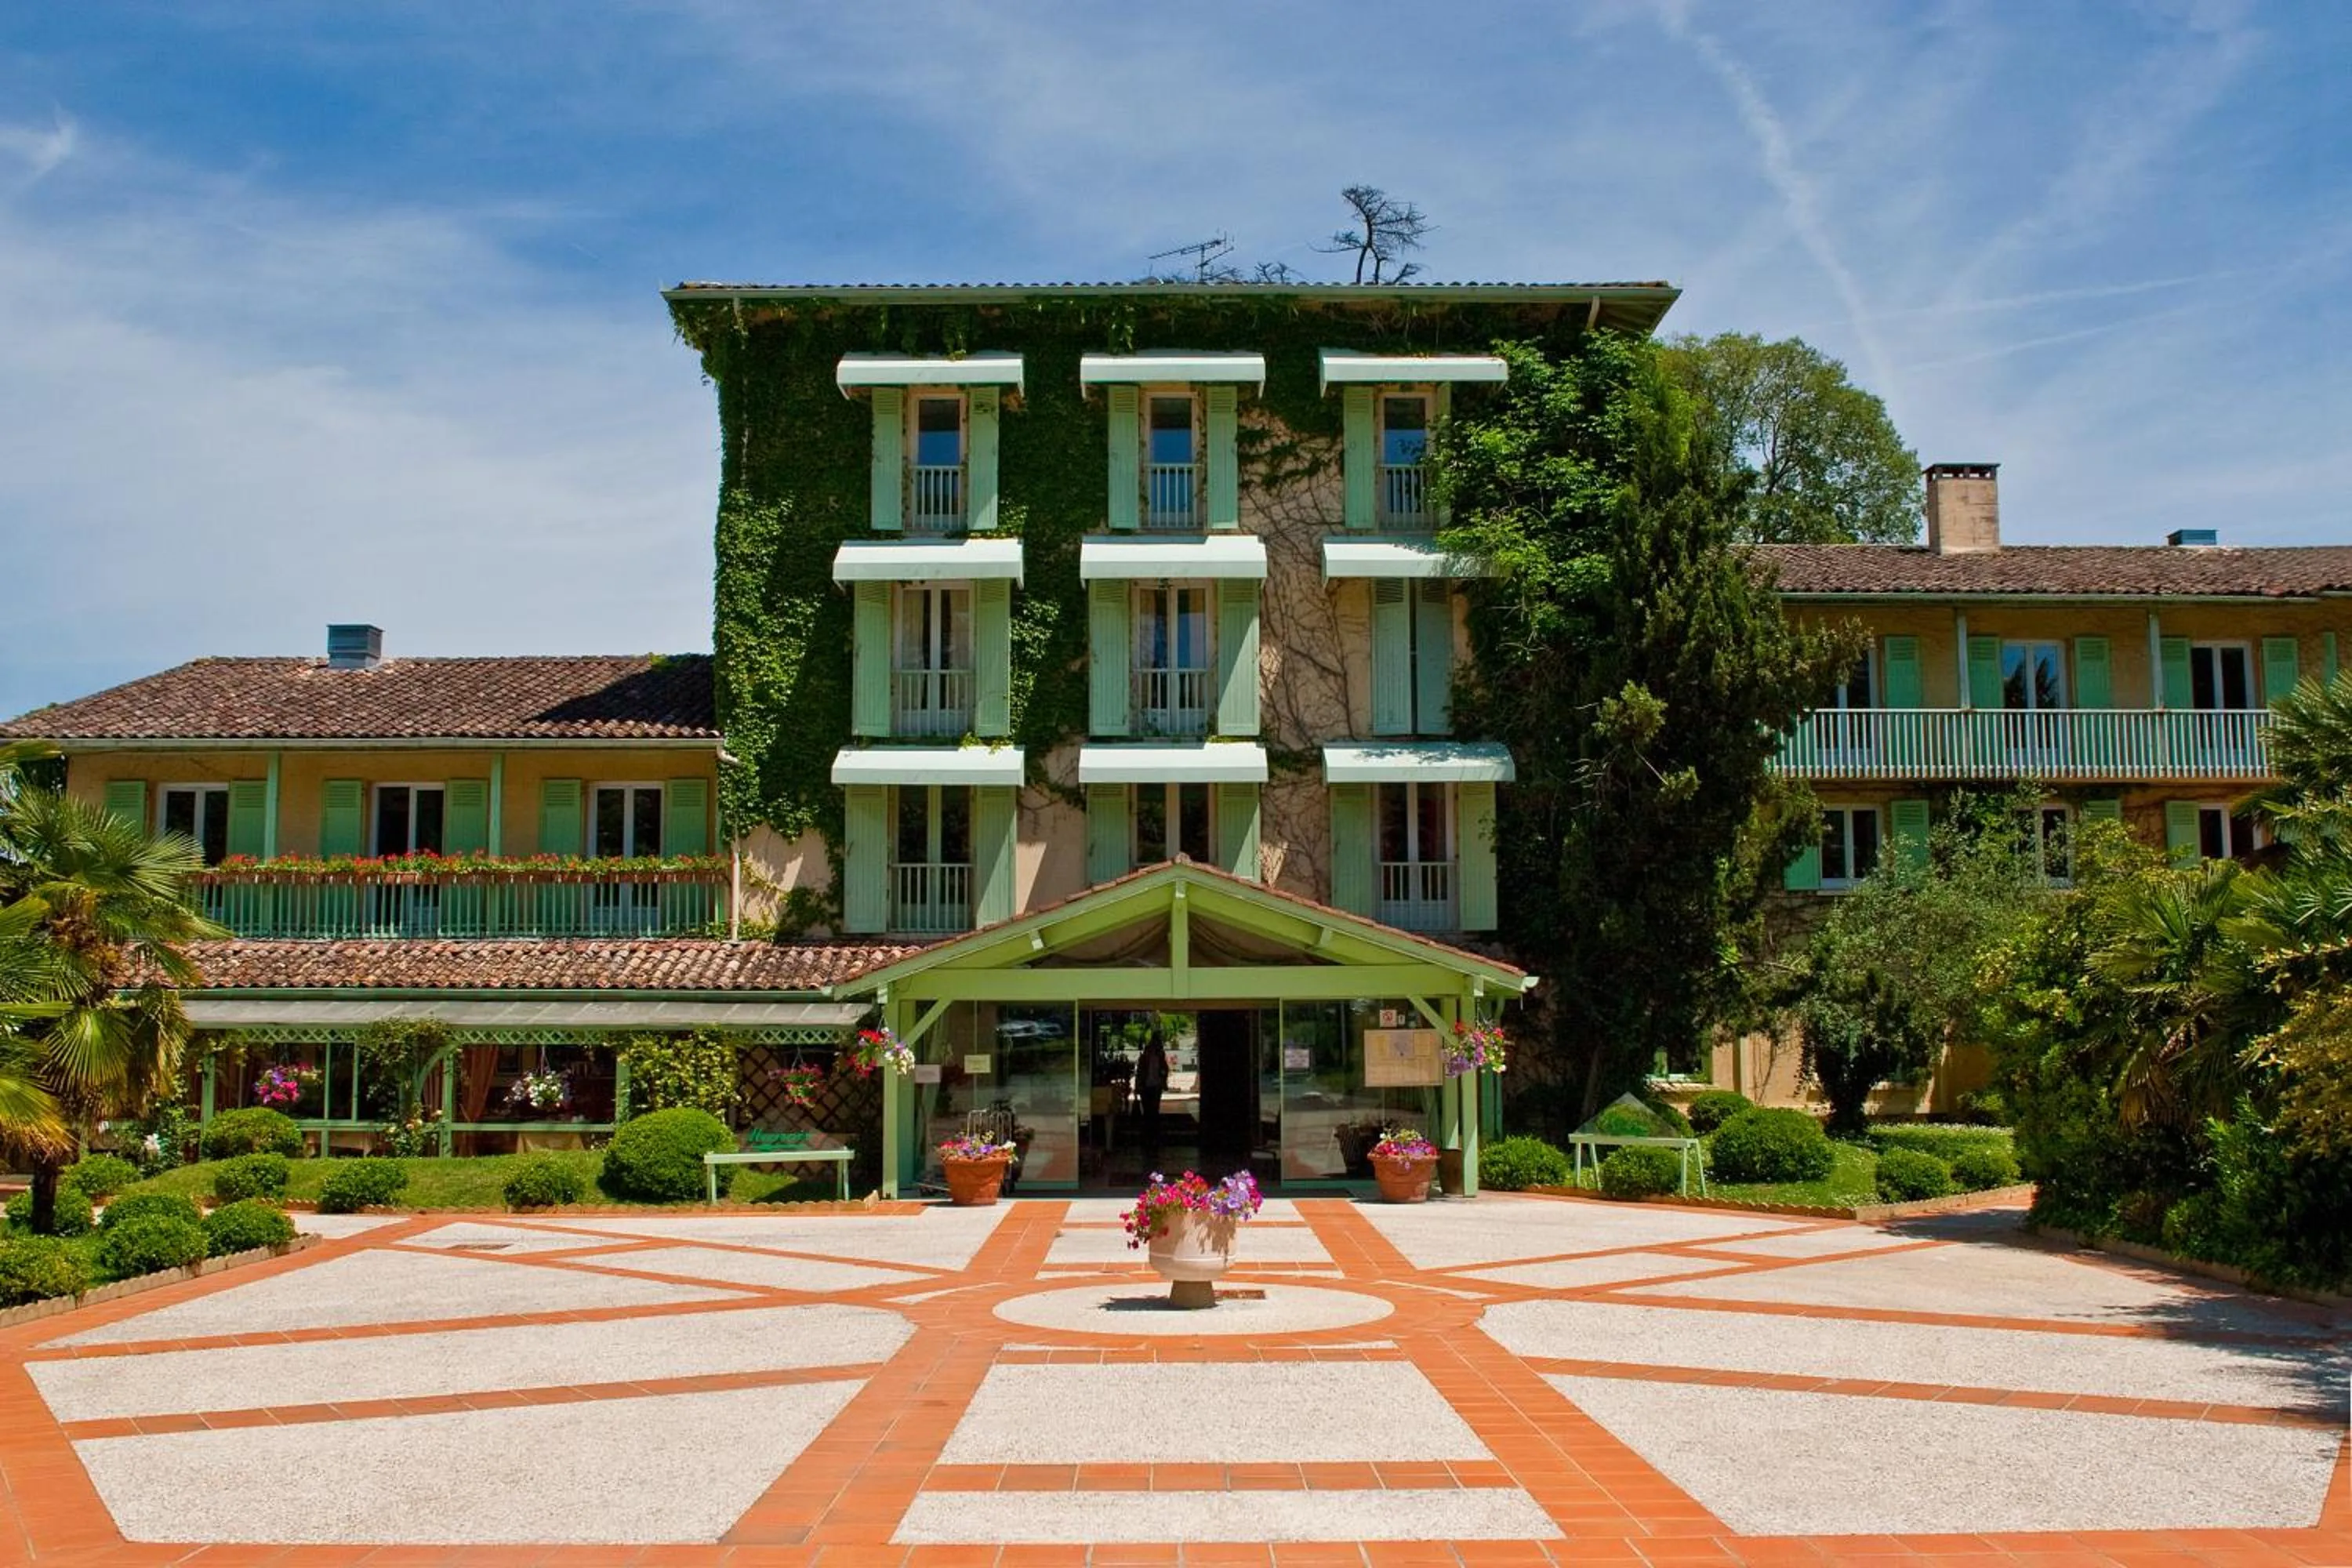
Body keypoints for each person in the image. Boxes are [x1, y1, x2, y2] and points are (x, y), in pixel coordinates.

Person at [1135, 1034, 1170, 1168]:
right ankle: (1148, 1137)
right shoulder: (1145, 1058)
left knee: (1153, 1111)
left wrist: (1162, 1076)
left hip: (1155, 1087)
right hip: (1147, 1087)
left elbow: (1164, 1070)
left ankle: (1152, 1136)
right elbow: (1140, 1073)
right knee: (1149, 1111)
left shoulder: (1159, 1057)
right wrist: (1138, 1087)